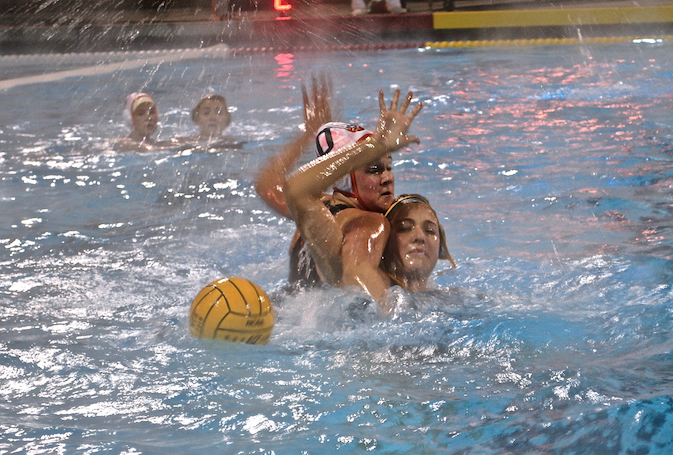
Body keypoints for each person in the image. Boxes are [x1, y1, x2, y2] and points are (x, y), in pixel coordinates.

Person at [283, 89, 457, 315]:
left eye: (389, 167)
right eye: (374, 169)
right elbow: (357, 275)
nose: (387, 178)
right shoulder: (371, 224)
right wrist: (393, 319)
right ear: (343, 177)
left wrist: (307, 135)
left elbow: (274, 189)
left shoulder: (317, 212)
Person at [175, 94, 243, 149]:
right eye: (206, 113)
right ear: (197, 119)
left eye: (219, 113)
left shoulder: (237, 142)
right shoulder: (181, 142)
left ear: (227, 119)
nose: (213, 117)